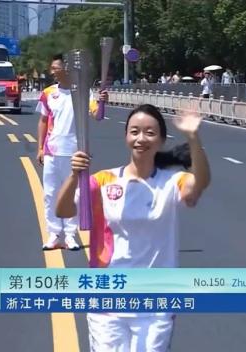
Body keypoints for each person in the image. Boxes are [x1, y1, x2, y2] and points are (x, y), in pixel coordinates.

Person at [55, 104, 210, 352]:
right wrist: (74, 176)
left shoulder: (171, 182)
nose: (141, 138)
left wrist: (193, 136)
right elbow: (62, 211)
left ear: (160, 140)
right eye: (135, 131)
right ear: (126, 136)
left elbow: (200, 182)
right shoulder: (104, 180)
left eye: (149, 133)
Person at [36, 53, 108, 251]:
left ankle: (70, 235)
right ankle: (53, 235)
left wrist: (102, 102)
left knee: (74, 196)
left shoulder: (84, 92)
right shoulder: (49, 92)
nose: (52, 71)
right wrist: (40, 148)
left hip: (76, 153)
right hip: (52, 151)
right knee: (50, 194)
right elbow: (43, 121)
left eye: (55, 68)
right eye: (52, 68)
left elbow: (98, 116)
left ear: (66, 69)